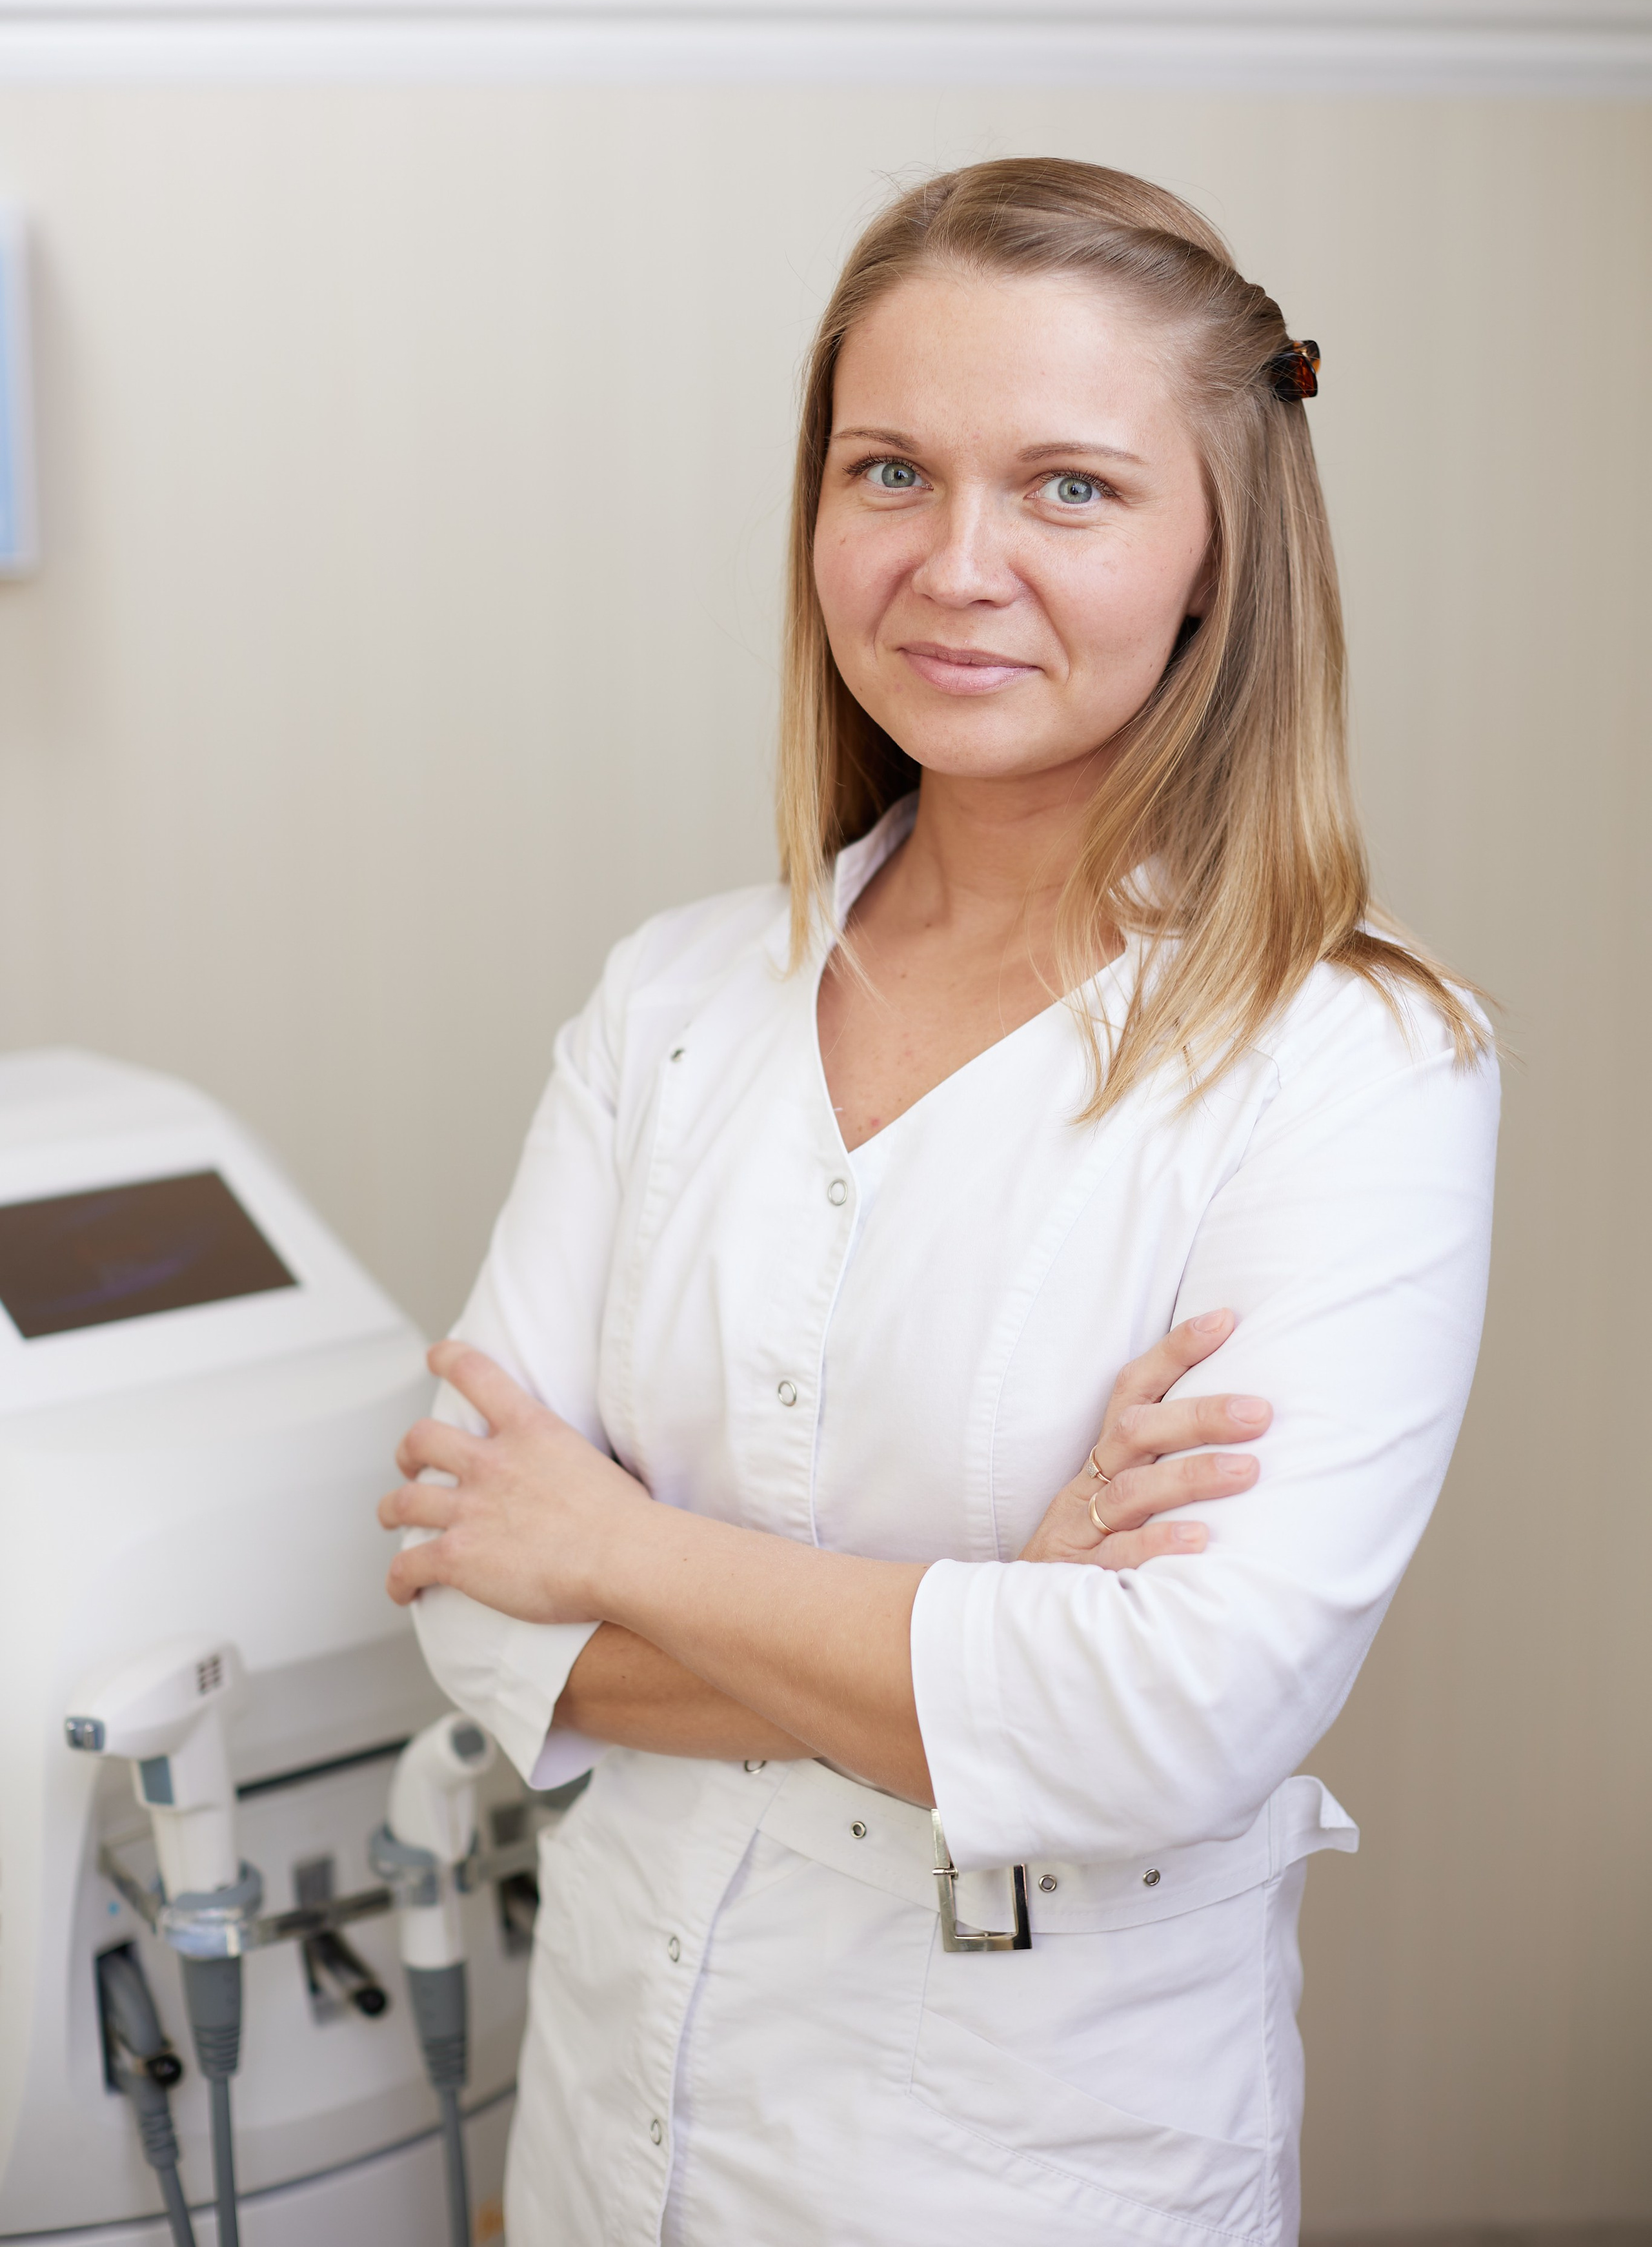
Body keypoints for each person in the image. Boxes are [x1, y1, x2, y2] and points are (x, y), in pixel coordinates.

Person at [379, 158, 1498, 2246]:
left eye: (1069, 488)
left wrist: (617, 1547)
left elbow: (1172, 1715)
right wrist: (999, 1611)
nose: (954, 564)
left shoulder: (1353, 1060)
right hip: (613, 2118)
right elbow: (466, 1599)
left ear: (1216, 553)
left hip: (1022, 2166)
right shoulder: (677, 999)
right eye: (889, 470)